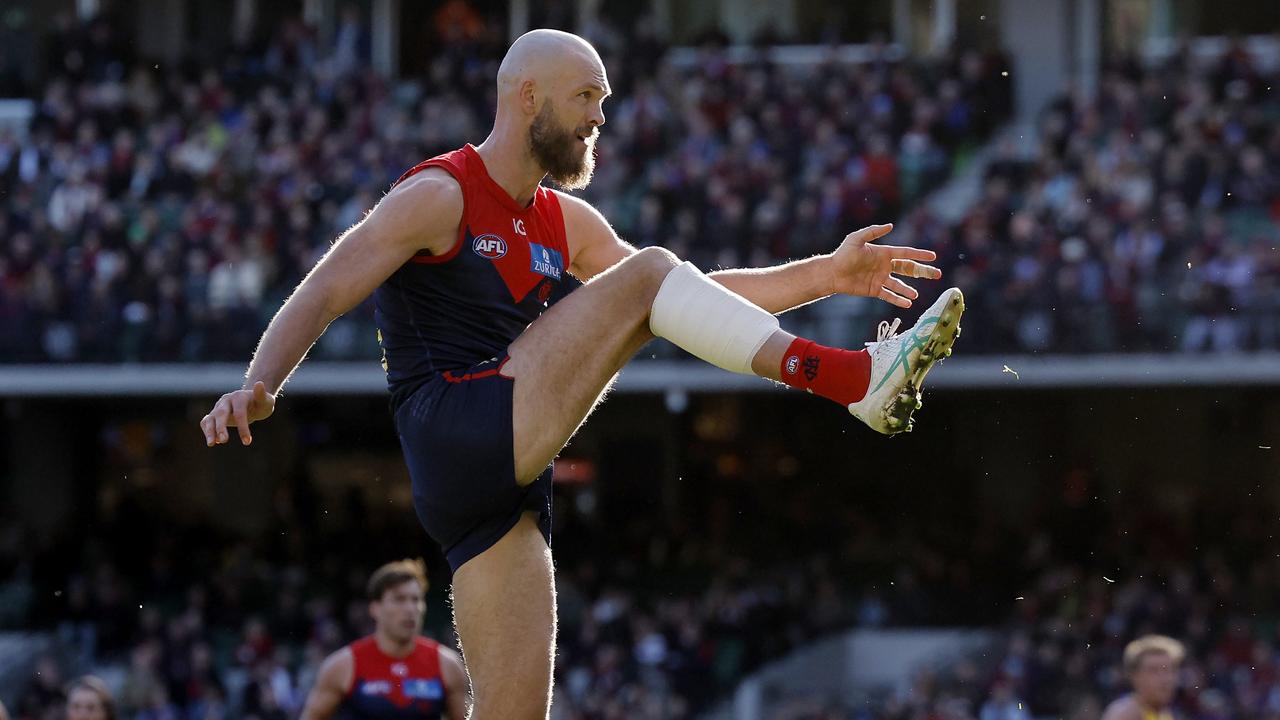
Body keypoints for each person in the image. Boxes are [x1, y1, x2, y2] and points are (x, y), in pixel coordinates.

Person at [200, 28, 963, 719]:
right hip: (457, 427)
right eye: (587, 96)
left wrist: (826, 274)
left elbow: (686, 300)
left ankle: (854, 376)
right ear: (528, 97)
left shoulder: (562, 220)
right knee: (650, 273)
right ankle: (854, 378)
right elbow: (329, 284)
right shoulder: (439, 194)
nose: (601, 114)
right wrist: (260, 381)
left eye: (603, 97)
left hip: (500, 483)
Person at [299, 560, 467, 719]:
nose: (410, 609)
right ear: (375, 608)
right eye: (399, 599)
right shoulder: (343, 666)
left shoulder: (447, 665)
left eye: (416, 599)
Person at [1101, 635, 1184, 720]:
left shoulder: (1165, 713)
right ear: (1134, 676)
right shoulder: (1125, 714)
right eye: (1154, 670)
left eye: (1168, 670)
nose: (1164, 679)